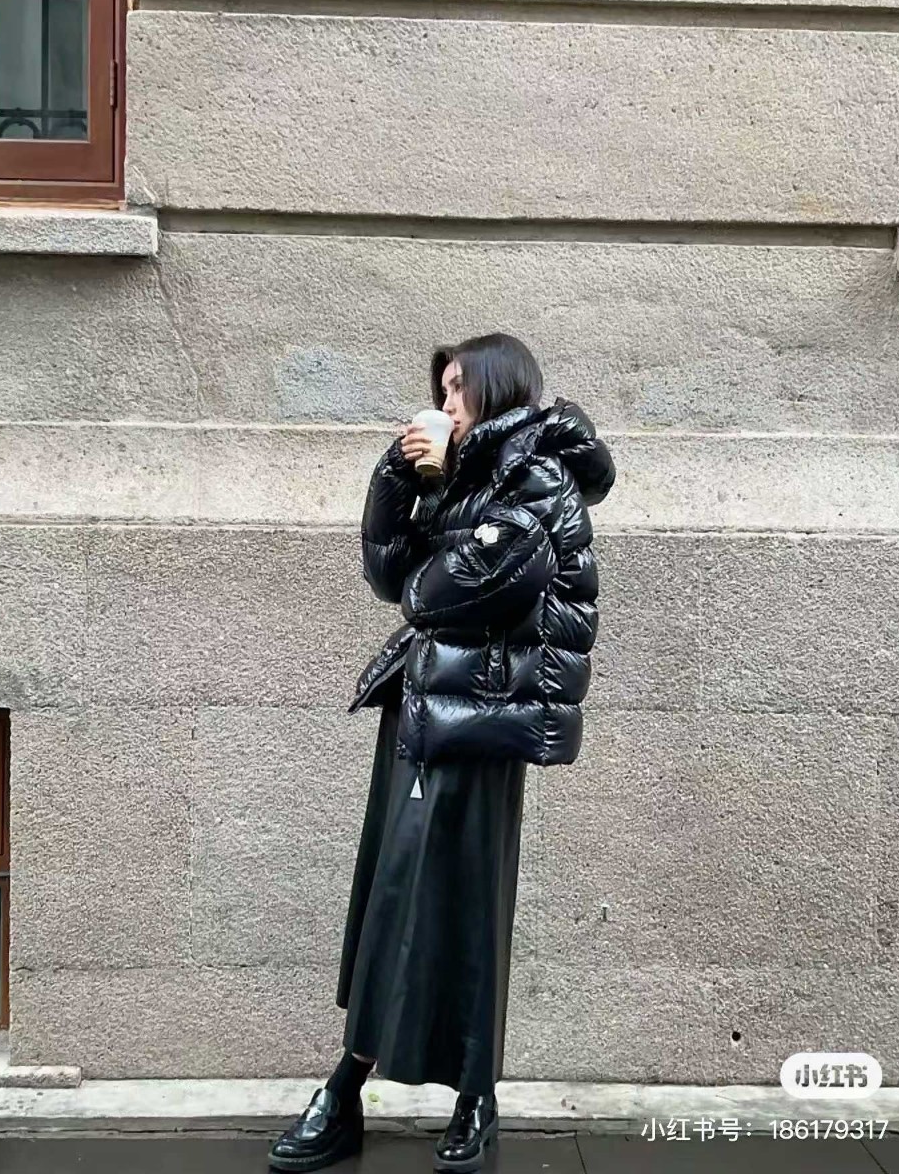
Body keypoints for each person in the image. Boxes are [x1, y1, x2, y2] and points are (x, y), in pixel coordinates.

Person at [268, 333, 615, 1173]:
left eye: (459, 389)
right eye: (443, 391)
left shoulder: (536, 474)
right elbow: (392, 576)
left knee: (463, 908)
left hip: (481, 720)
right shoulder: (467, 475)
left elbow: (446, 591)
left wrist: (444, 494)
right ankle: (359, 1089)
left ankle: (459, 1097)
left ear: (496, 390)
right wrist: (399, 473)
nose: (446, 405)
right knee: (389, 897)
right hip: (425, 709)